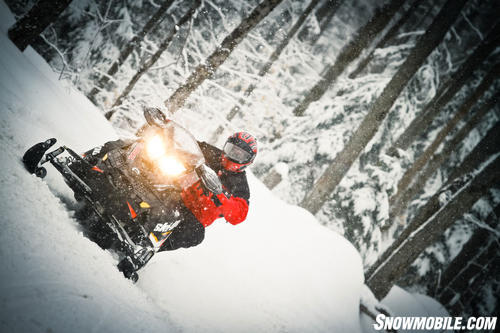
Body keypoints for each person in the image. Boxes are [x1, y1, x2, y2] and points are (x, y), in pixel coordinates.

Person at [159, 131, 258, 252]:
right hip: (177, 195)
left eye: (239, 155)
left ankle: (149, 249)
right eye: (231, 149)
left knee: (195, 234)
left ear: (247, 161)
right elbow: (191, 144)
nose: (233, 155)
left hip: (193, 216)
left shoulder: (240, 185)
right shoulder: (214, 154)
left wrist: (220, 193)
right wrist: (166, 125)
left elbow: (239, 214)